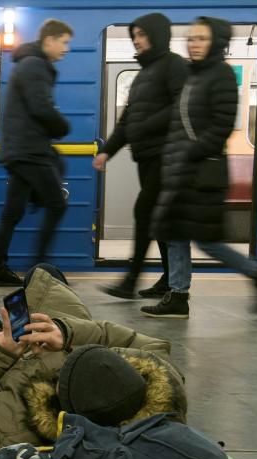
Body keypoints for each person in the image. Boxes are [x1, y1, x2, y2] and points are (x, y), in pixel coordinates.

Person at [0, 265, 187, 459]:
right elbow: (154, 346)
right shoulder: (161, 388)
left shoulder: (11, 432)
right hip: (54, 332)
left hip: (0, 361)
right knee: (45, 273)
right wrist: (67, 332)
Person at [143, 17, 257, 318]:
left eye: (202, 38)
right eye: (191, 38)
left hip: (203, 174)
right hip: (182, 170)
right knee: (174, 232)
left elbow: (220, 127)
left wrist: (188, 152)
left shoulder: (222, 76)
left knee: (207, 241)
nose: (194, 43)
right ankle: (178, 295)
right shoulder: (192, 76)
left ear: (216, 41)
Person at [94, 13, 188, 300]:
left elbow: (181, 107)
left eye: (142, 34)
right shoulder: (142, 75)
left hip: (166, 154)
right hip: (147, 157)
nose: (136, 40)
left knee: (145, 213)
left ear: (157, 35)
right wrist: (107, 150)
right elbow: (127, 120)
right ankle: (168, 279)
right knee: (157, 219)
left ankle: (130, 281)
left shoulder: (175, 66)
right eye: (134, 35)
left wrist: (144, 127)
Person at [0, 19, 73, 286]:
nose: (66, 49)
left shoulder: (27, 64)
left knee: (12, 213)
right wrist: (63, 126)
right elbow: (41, 108)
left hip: (19, 151)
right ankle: (40, 271)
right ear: (49, 40)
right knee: (57, 205)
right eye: (64, 42)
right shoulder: (35, 65)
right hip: (30, 151)